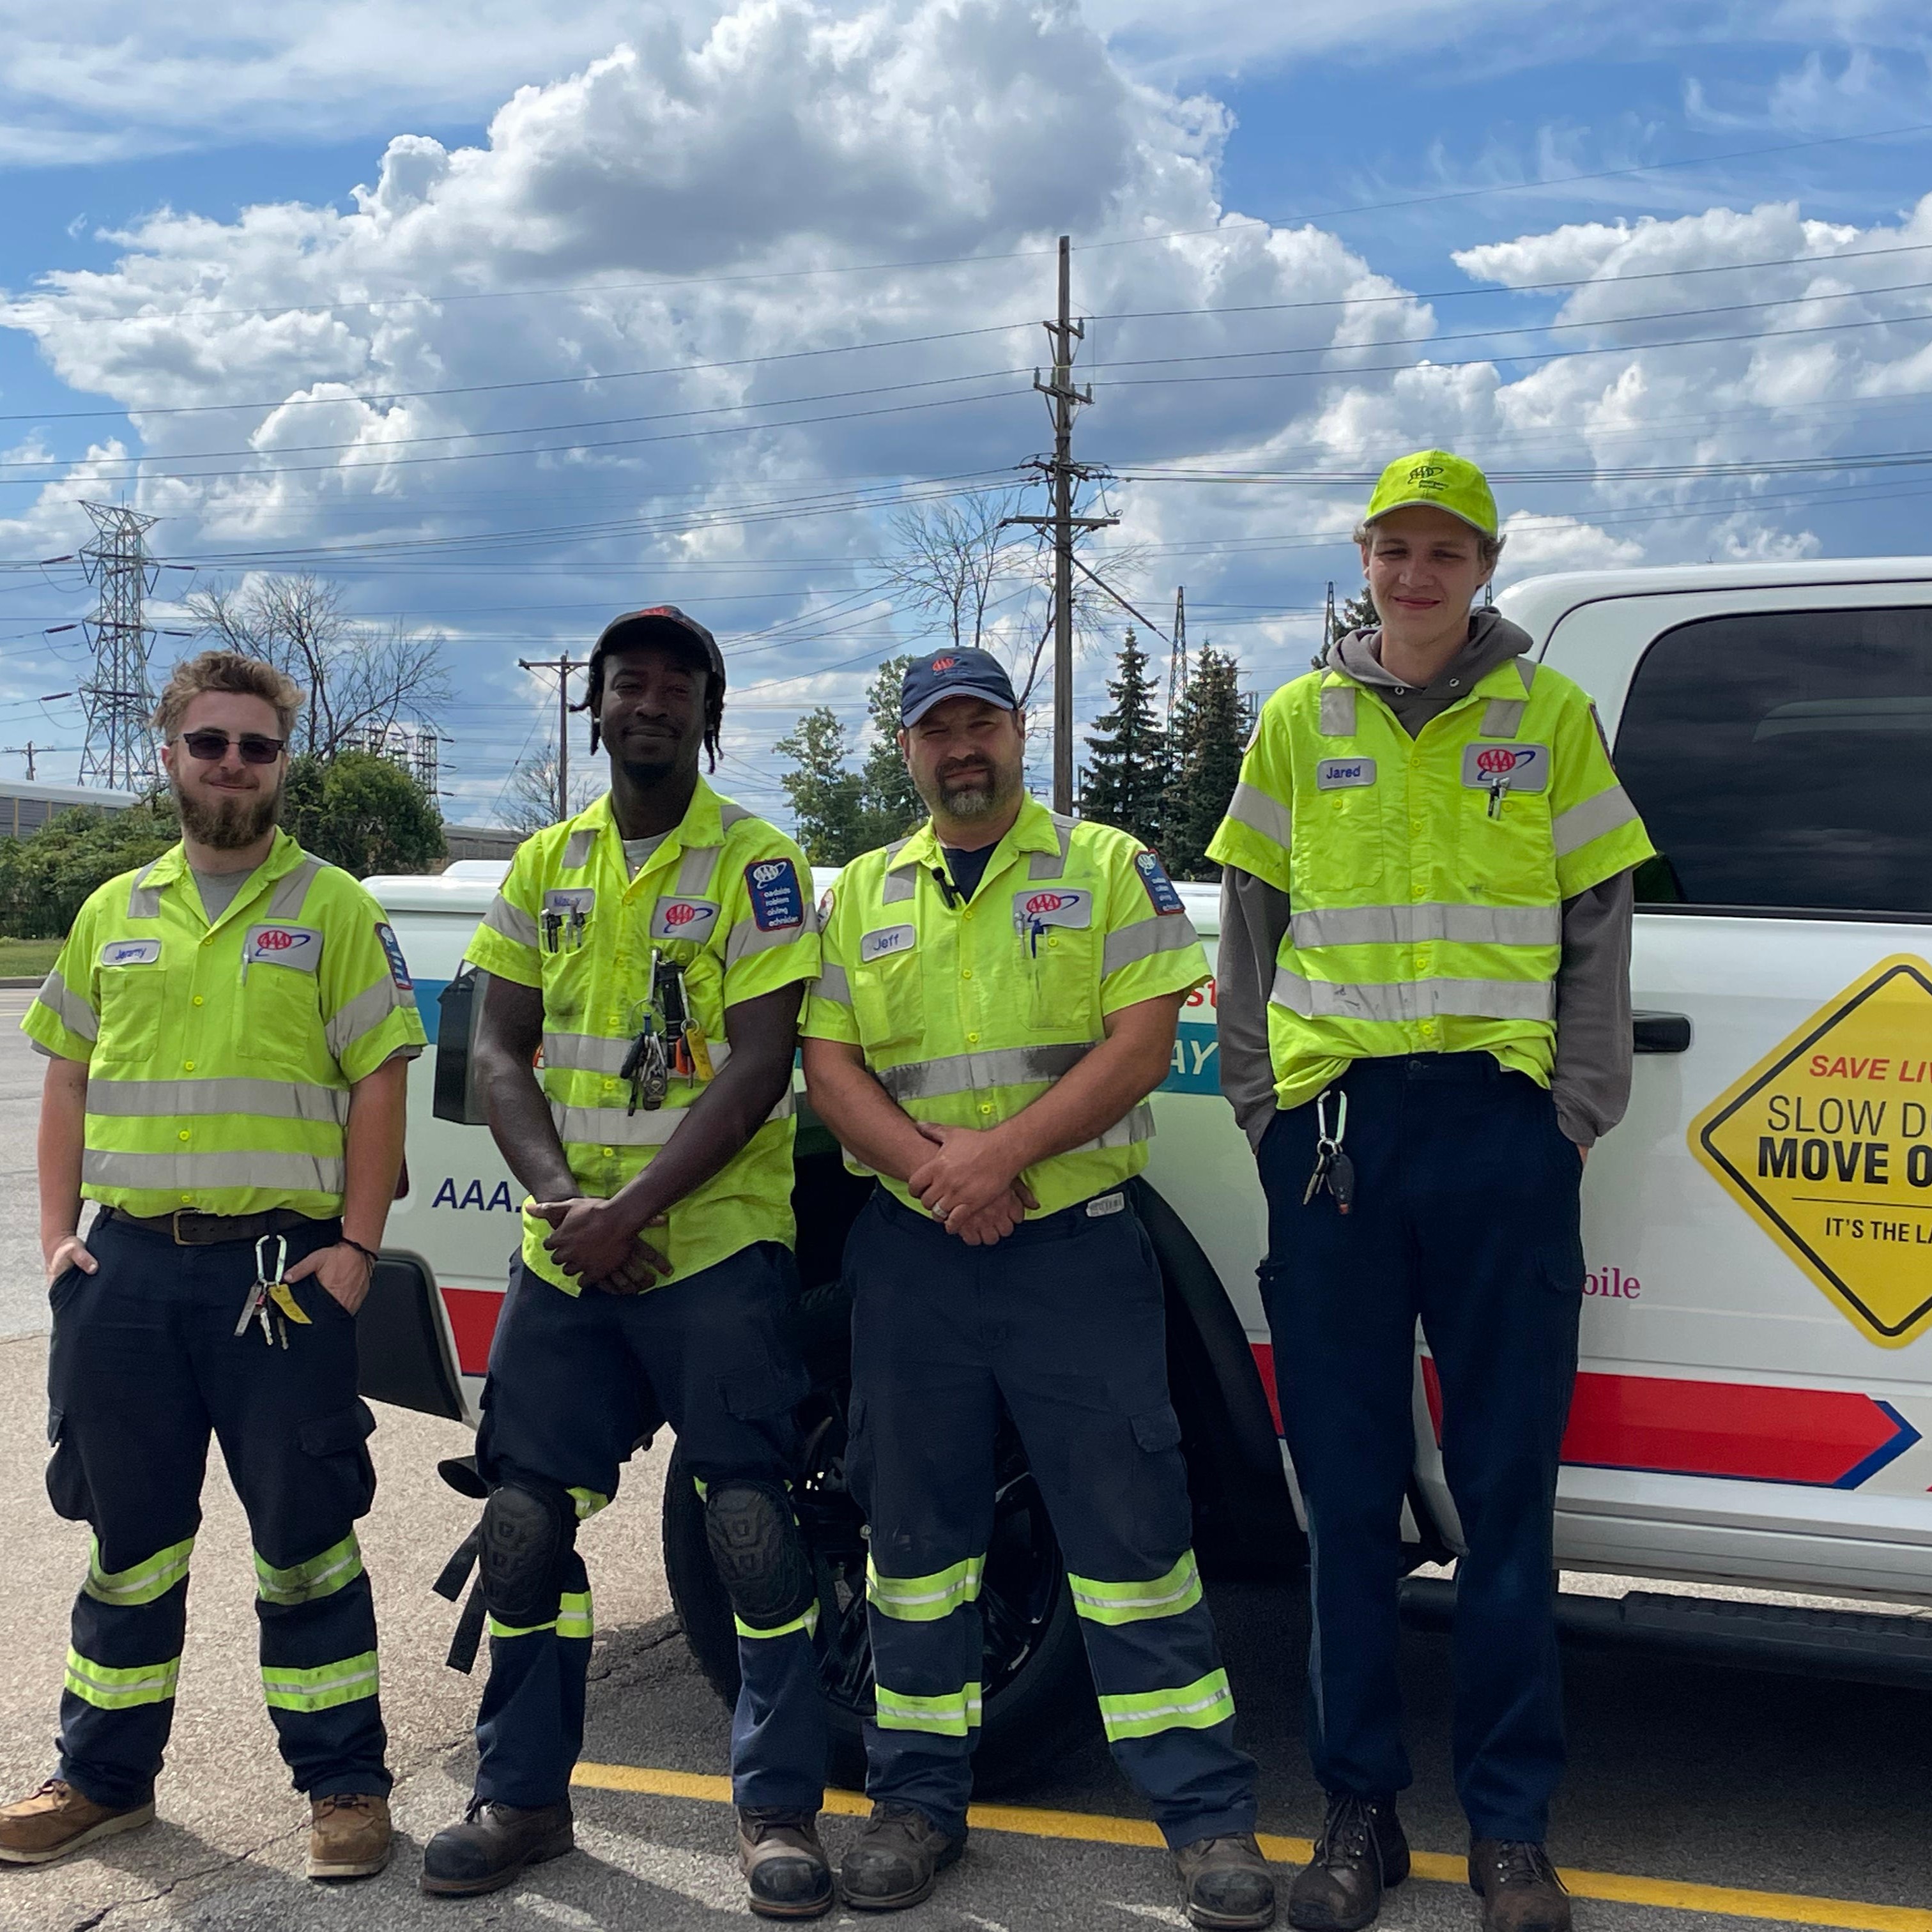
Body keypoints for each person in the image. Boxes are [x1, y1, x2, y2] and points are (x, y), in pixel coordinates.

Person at [1210, 452, 1655, 1932]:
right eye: (1394, 548)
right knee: (1346, 1501)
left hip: (1500, 1138)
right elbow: (1249, 935)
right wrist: (1271, 1114)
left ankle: (1512, 1832)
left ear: (1485, 563)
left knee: (1506, 1498)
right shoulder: (1295, 721)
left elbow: (1601, 922)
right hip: (1337, 1144)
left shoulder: (1548, 718)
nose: (1416, 574)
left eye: (1444, 551)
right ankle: (1358, 1815)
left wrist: (1573, 1116)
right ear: (1365, 558)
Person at [802, 647, 1275, 1930]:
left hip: (1071, 1249)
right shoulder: (860, 897)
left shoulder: (1109, 870)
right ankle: (913, 1802)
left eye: (981, 723)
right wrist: (938, 1175)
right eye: (934, 729)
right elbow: (829, 1066)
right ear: (905, 751)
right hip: (912, 1261)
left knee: (1133, 1545)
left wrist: (1000, 1159)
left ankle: (1206, 1815)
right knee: (913, 1547)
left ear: (1020, 733)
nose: (961, 747)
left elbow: (1136, 1045)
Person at [422, 606, 832, 1919]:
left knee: (754, 1531)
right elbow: (497, 1053)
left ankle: (776, 1812)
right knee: (528, 1527)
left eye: (676, 686)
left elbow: (764, 1065)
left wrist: (636, 1206)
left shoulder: (760, 867)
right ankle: (525, 1796)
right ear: (593, 709)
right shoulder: (545, 864)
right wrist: (565, 1204)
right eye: (627, 684)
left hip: (713, 1250)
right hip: (568, 1250)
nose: (649, 702)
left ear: (712, 716)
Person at [0, 652, 425, 1879]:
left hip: (281, 1276)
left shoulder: (337, 909)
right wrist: (55, 1244)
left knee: (307, 1542)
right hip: (124, 1277)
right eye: (212, 744)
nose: (234, 766)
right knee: (126, 1543)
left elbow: (380, 1078)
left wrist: (356, 1247)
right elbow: (67, 1077)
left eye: (258, 748)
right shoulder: (111, 910)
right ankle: (100, 1780)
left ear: (282, 763)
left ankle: (344, 1785)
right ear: (169, 753)